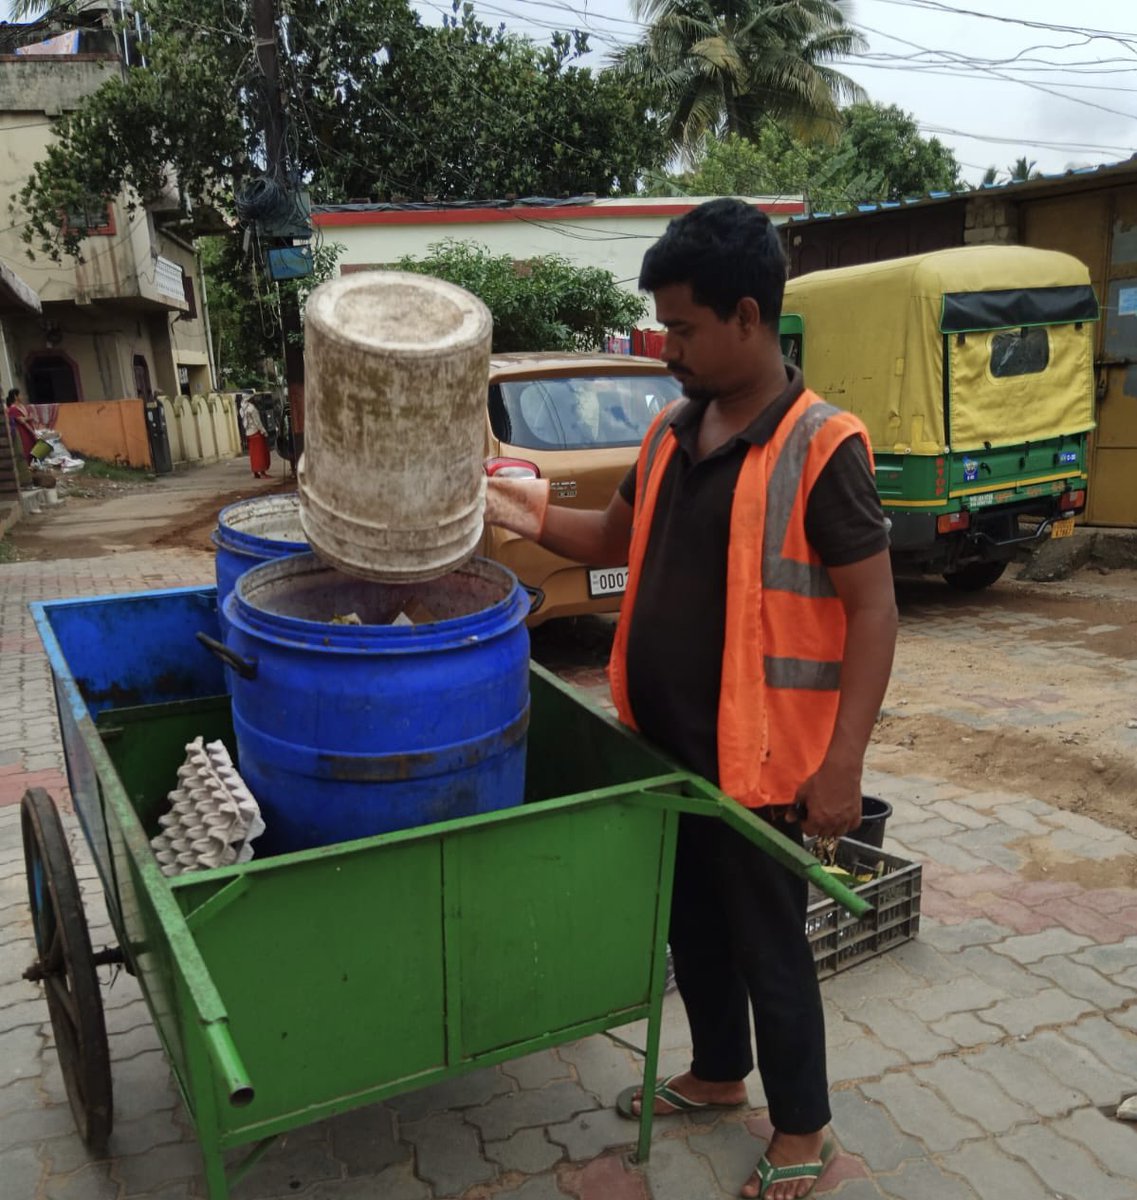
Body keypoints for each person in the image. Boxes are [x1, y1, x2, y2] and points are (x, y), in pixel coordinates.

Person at [484, 199, 898, 1200]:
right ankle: (719, 1075)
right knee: (692, 928)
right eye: (665, 326)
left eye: (685, 327)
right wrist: (510, 502)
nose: (668, 346)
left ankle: (806, 1135)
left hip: (764, 765)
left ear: (748, 317)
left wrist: (840, 768)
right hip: (668, 743)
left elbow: (876, 614)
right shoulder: (675, 430)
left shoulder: (821, 446)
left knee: (768, 947)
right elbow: (609, 541)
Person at [239, 392, 271, 478]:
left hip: (248, 433)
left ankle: (255, 472)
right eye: (253, 398)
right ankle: (262, 472)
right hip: (256, 432)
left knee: (253, 454)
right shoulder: (252, 408)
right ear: (250, 399)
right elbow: (257, 422)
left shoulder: (242, 408)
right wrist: (263, 431)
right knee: (261, 453)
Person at [6, 387, 38, 465]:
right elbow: (22, 420)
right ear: (15, 396)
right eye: (20, 395)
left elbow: (26, 418)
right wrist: (30, 418)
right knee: (27, 452)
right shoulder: (13, 409)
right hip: (23, 434)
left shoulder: (22, 406)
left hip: (29, 432)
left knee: (34, 451)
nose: (22, 396)